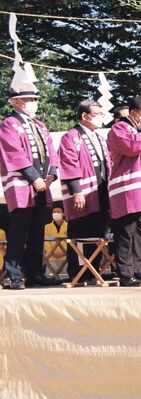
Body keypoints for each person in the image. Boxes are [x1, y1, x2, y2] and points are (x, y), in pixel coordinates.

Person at [0, 88, 62, 289]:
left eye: (35, 99)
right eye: (30, 99)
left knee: (37, 231)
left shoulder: (40, 125)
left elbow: (51, 151)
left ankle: (35, 274)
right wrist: (34, 177)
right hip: (22, 184)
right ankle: (13, 275)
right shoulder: (9, 124)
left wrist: (52, 174)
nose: (34, 102)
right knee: (19, 232)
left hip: (43, 184)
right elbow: (13, 153)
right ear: (17, 102)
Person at [107, 95, 141, 287]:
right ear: (133, 114)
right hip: (127, 190)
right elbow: (132, 147)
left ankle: (138, 270)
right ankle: (125, 273)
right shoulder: (119, 128)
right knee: (126, 233)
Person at [59, 99, 113, 282]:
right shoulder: (71, 137)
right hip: (82, 194)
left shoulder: (99, 137)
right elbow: (69, 164)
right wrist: (76, 191)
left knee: (98, 233)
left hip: (100, 193)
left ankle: (93, 270)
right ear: (84, 115)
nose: (101, 118)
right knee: (81, 233)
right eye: (97, 114)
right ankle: (78, 273)